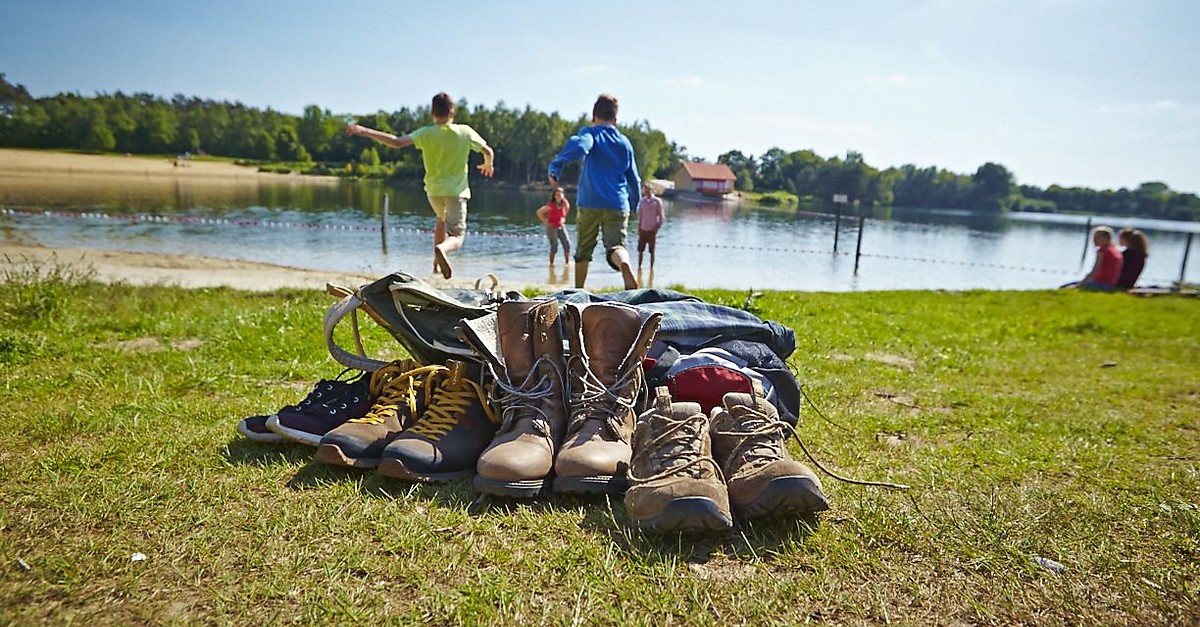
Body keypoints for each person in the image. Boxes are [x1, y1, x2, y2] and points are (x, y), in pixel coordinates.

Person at [346, 92, 494, 279]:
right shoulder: (464, 131)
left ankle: (435, 267)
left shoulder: (426, 133)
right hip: (456, 192)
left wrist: (364, 131)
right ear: (452, 112)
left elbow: (396, 142)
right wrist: (488, 163)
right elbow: (488, 150)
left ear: (432, 113)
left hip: (433, 193)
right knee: (457, 236)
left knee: (440, 220)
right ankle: (442, 249)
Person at [547, 94, 641, 290]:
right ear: (615, 120)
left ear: (593, 117)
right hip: (617, 203)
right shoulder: (625, 143)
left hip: (590, 201)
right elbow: (634, 179)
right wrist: (634, 205)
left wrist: (557, 166)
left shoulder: (591, 133)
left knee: (583, 251)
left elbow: (581, 145)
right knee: (616, 246)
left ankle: (578, 292)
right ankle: (624, 263)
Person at [1074, 226, 1123, 291]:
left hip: (1101, 284)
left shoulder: (1102, 250)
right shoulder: (1115, 250)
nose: (1094, 240)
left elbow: (1095, 270)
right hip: (1111, 285)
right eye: (1094, 237)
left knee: (1067, 287)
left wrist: (1080, 284)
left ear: (1106, 238)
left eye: (1097, 237)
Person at [536, 187, 572, 266]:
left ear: (563, 195)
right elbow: (539, 212)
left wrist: (563, 218)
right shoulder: (551, 205)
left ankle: (567, 263)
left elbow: (566, 210)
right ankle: (551, 264)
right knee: (554, 246)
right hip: (551, 226)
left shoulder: (565, 203)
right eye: (557, 194)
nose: (559, 196)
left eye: (560, 194)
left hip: (561, 225)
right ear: (554, 196)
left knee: (567, 244)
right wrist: (544, 221)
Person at [635, 183, 664, 271]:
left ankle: (651, 268)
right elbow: (640, 215)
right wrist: (639, 227)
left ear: (651, 190)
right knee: (640, 250)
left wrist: (657, 226)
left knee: (652, 251)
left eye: (648, 190)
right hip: (643, 229)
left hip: (652, 230)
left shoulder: (656, 201)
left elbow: (661, 216)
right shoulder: (642, 201)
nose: (646, 192)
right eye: (645, 190)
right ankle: (639, 268)